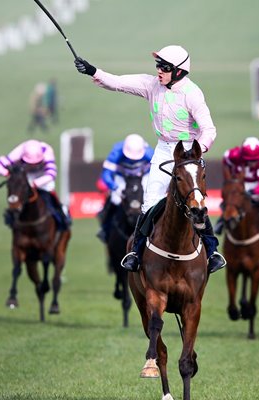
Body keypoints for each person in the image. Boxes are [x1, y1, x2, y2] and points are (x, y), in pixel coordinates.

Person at [74, 44, 226, 273]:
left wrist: (197, 151)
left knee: (197, 203)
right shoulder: (151, 85)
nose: (158, 70)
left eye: (164, 67)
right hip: (165, 151)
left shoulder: (192, 93)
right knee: (149, 202)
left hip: (190, 153)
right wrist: (92, 71)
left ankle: (212, 252)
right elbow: (117, 83)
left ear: (178, 71)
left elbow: (209, 130)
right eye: (158, 65)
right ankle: (135, 253)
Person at [0, 139, 70, 230]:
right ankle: (12, 215)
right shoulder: (17, 152)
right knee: (16, 193)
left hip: (42, 174)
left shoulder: (47, 150)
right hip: (25, 174)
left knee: (50, 189)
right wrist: (7, 173)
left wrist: (35, 184)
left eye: (36, 163)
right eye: (30, 163)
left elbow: (51, 174)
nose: (33, 165)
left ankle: (61, 212)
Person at [96, 133, 154, 243]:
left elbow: (157, 172)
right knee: (115, 199)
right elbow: (106, 174)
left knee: (151, 199)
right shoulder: (116, 151)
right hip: (122, 177)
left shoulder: (149, 153)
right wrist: (114, 187)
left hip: (144, 177)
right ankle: (105, 229)